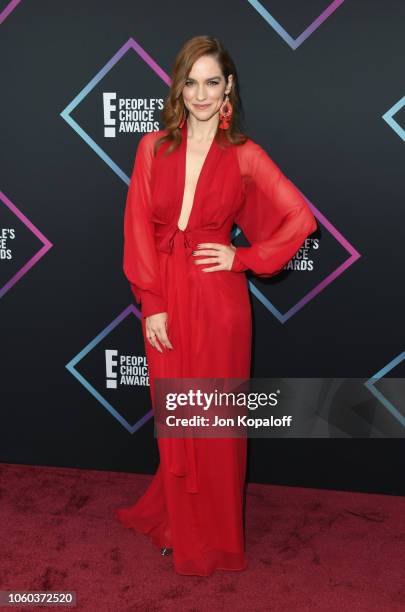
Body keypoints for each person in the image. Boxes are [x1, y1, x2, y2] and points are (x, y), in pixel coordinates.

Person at [116, 35, 317, 577]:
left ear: (228, 87)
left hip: (219, 300)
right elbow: (137, 226)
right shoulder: (152, 147)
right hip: (165, 297)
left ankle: (214, 538)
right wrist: (151, 302)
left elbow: (300, 219)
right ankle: (179, 524)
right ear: (178, 87)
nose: (201, 93)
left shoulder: (245, 155)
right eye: (191, 81)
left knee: (215, 423)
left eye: (212, 81)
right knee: (177, 420)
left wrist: (243, 257)